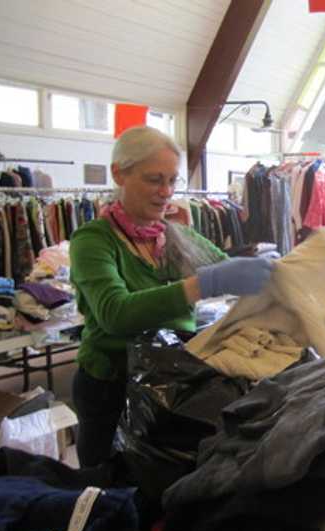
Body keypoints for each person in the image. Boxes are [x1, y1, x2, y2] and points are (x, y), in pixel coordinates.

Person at [69, 126, 273, 467]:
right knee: (108, 489)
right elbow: (115, 313)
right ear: (119, 173)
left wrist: (275, 273)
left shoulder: (175, 235)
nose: (166, 192)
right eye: (154, 179)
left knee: (162, 484)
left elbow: (226, 268)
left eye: (172, 181)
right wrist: (202, 284)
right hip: (110, 387)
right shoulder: (92, 241)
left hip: (170, 380)